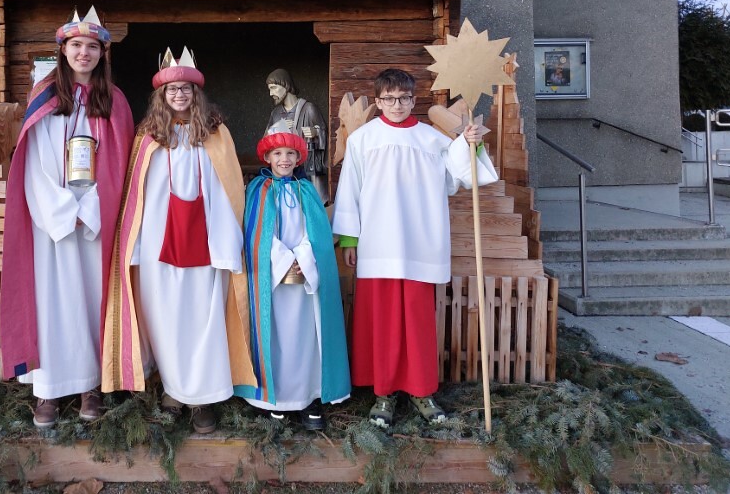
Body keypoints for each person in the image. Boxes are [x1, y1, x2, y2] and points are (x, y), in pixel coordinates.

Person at [101, 47, 256, 435]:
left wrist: (228, 242)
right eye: (172, 90)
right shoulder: (147, 137)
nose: (180, 94)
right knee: (166, 317)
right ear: (162, 95)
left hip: (207, 243)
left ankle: (203, 397)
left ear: (196, 92)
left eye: (186, 88)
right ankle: (172, 391)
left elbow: (228, 189)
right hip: (158, 246)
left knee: (203, 318)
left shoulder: (216, 134)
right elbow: (137, 197)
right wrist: (135, 246)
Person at [332, 68, 498, 428]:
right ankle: (384, 392)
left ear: (414, 100)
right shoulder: (363, 139)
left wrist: (471, 143)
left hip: (419, 243)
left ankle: (422, 391)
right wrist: (349, 238)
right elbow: (350, 189)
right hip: (377, 243)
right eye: (389, 98)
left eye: (404, 98)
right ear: (378, 102)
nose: (397, 105)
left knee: (418, 322)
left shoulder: (431, 139)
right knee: (383, 323)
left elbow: (459, 175)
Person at [0, 7, 134, 428]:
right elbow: (34, 162)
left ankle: (91, 385)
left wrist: (90, 210)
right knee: (52, 304)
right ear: (63, 49)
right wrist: (62, 212)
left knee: (93, 300)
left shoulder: (114, 101)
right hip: (52, 224)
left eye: (92, 47)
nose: (83, 53)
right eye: (76, 45)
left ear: (101, 53)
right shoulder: (44, 96)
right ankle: (49, 390)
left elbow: (122, 165)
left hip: (96, 221)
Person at [234, 126, 350, 430]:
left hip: (304, 280)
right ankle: (277, 399)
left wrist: (302, 259)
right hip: (273, 281)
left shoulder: (307, 190)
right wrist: (284, 260)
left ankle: (308, 396)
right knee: (275, 338)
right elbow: (257, 234)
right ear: (267, 157)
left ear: (299, 158)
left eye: (290, 153)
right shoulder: (257, 190)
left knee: (306, 337)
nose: (284, 159)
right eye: (278, 153)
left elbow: (317, 232)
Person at [264, 69, 330, 204]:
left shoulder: (308, 109)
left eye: (274, 88)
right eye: (270, 89)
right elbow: (265, 141)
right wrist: (277, 127)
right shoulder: (276, 113)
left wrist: (316, 132)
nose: (271, 93)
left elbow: (325, 133)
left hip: (307, 169)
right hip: (284, 169)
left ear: (286, 85)